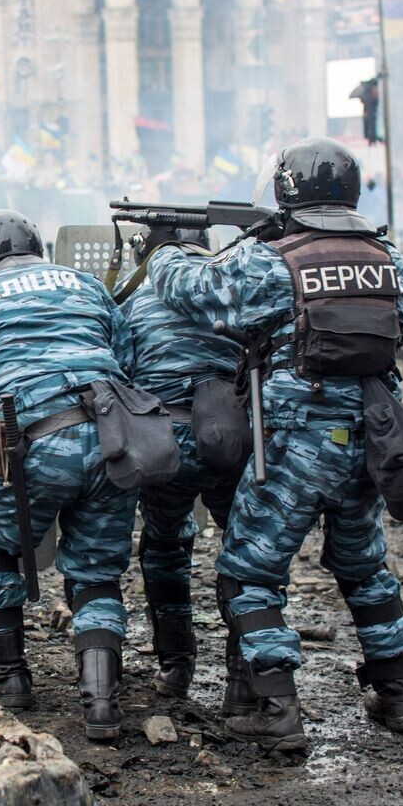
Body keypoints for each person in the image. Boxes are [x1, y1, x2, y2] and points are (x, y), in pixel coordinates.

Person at [144, 138, 403, 751]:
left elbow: (194, 290)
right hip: (374, 440)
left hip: (297, 441)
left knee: (250, 572)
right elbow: (396, 328)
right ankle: (398, 694)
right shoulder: (391, 261)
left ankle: (276, 708)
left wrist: (163, 250)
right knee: (363, 565)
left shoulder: (274, 262)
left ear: (287, 192)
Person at [0, 209, 136, 741]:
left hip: (29, 447)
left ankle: (14, 681)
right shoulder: (85, 286)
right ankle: (101, 704)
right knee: (97, 571)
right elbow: (124, 361)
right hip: (114, 438)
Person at [119, 228, 247, 703]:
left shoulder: (134, 303)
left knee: (165, 544)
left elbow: (120, 374)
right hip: (229, 439)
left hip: (163, 441)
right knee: (246, 553)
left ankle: (176, 666)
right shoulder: (227, 295)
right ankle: (244, 679)